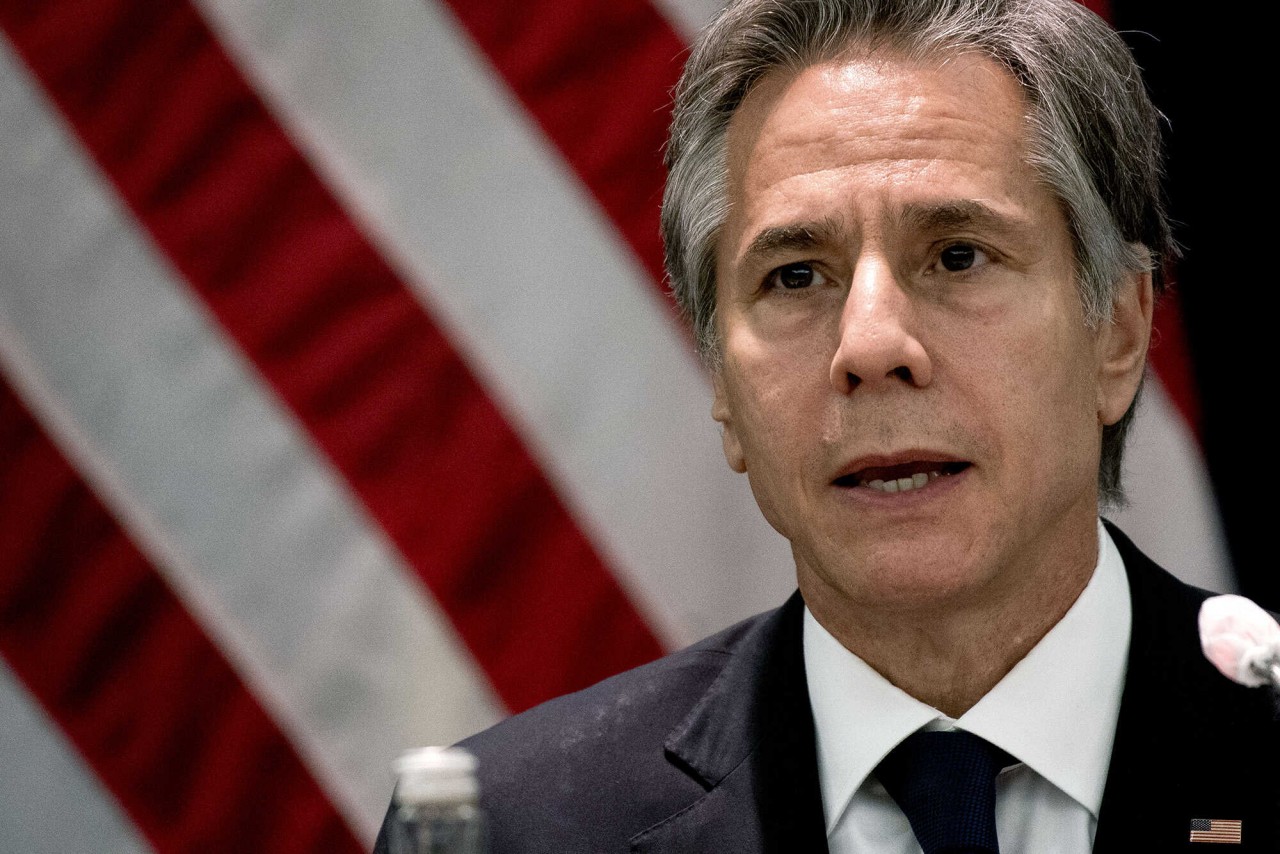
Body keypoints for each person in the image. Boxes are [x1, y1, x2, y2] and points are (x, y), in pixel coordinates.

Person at [376, 0, 1278, 851]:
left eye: (958, 257)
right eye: (797, 276)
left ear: (1118, 334)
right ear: (723, 385)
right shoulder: (518, 829)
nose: (872, 344)